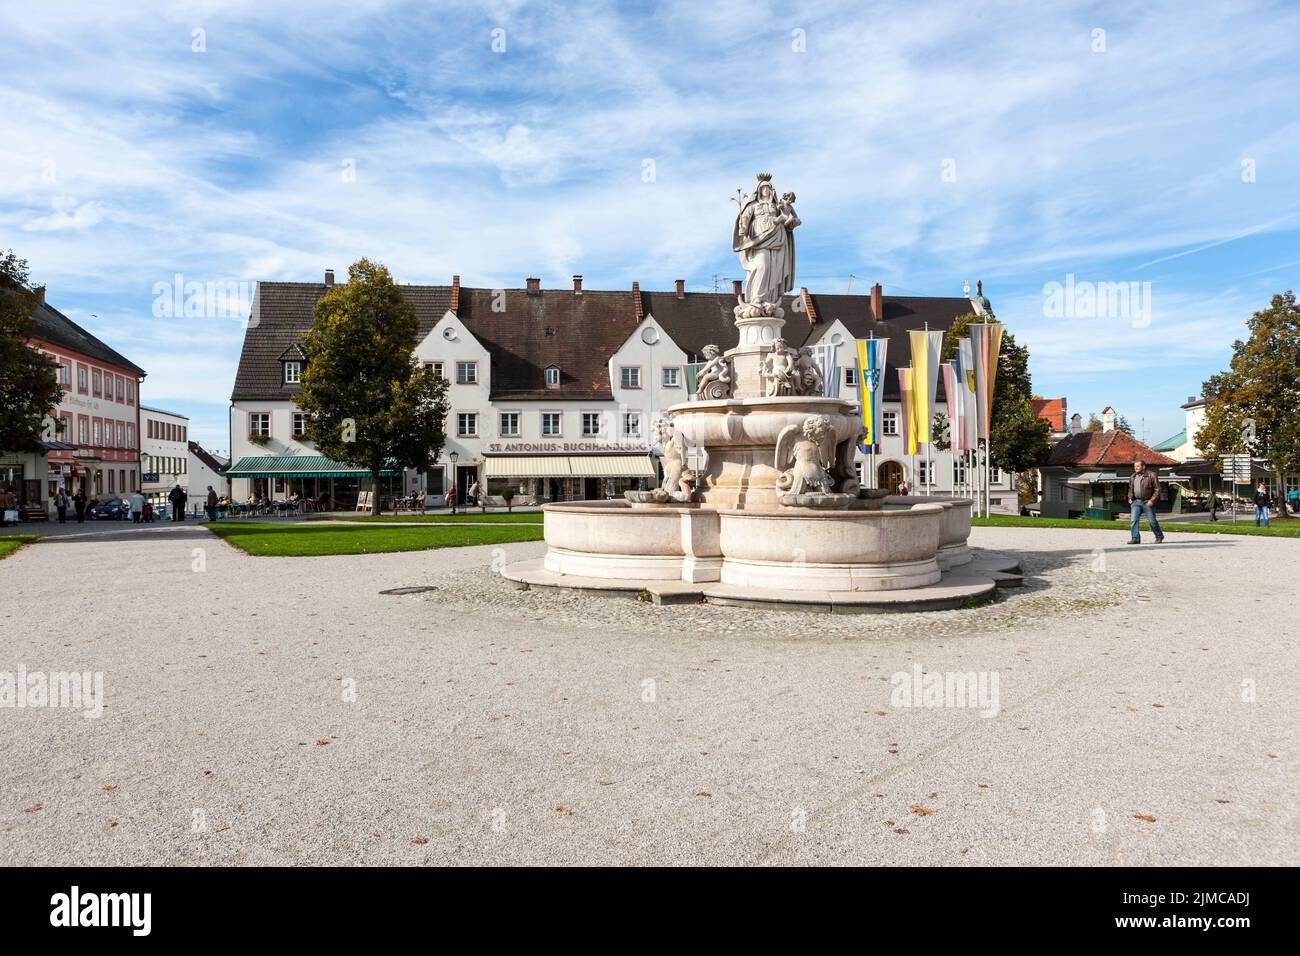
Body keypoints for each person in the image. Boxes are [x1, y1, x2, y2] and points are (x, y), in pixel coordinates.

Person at [1127, 459, 1164, 544]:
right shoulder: (1133, 476)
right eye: (1135, 466)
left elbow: (1157, 489)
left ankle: (1159, 536)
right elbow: (1130, 489)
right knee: (1133, 520)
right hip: (1136, 502)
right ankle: (1135, 538)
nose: (1135, 468)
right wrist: (1130, 497)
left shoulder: (1152, 475)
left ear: (1143, 466)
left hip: (1148, 502)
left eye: (1138, 466)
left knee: (1152, 521)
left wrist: (1152, 500)